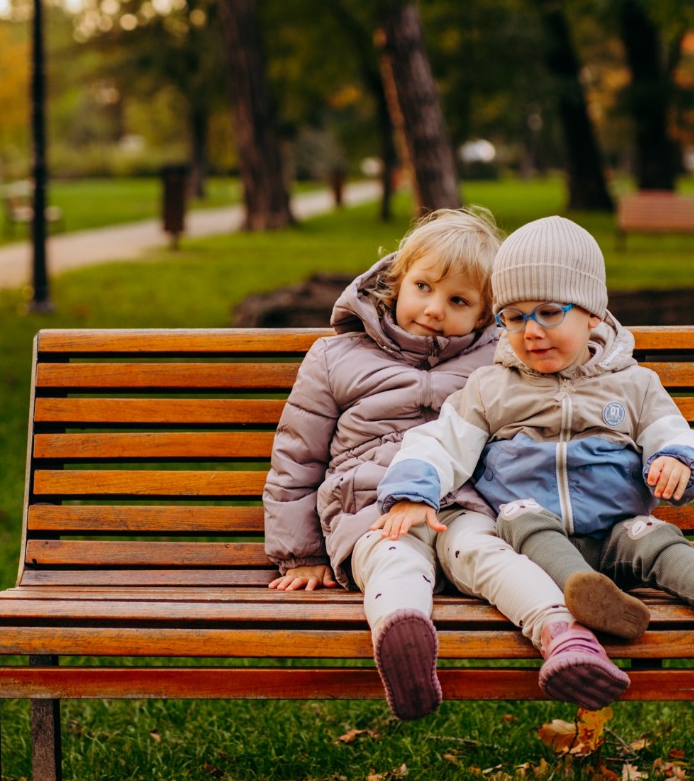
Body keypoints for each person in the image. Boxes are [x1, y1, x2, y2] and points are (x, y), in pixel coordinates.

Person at [372, 215, 694, 658]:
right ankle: (588, 595)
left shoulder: (634, 385)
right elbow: (440, 442)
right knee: (523, 519)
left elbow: (677, 434)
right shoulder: (490, 387)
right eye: (514, 318)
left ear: (593, 313)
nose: (531, 331)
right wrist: (413, 491)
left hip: (616, 531)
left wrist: (678, 460)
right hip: (533, 534)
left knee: (657, 538)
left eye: (550, 313)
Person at [263, 208, 627, 722]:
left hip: (462, 505)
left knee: (489, 555)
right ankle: (404, 636)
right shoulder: (336, 357)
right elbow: (297, 458)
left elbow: (568, 377)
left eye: (458, 300)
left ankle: (563, 637)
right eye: (423, 286)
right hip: (370, 507)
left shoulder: (500, 362)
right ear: (396, 282)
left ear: (484, 315)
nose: (434, 309)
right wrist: (300, 554)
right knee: (396, 558)